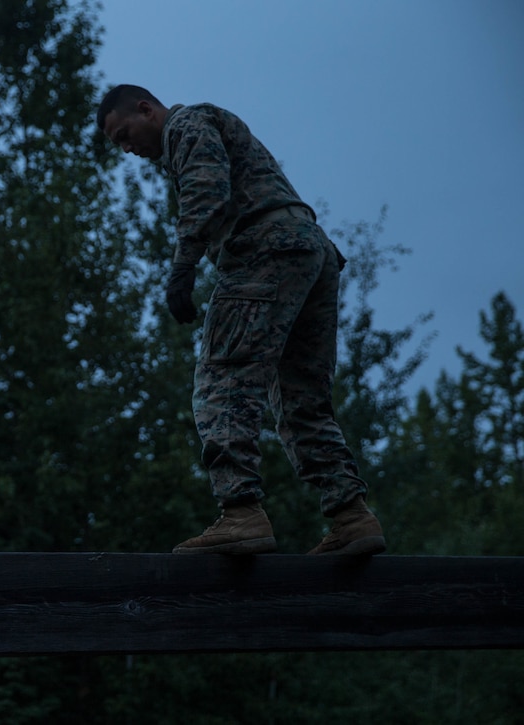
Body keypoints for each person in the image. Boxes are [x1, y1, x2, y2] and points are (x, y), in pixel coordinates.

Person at [96, 84, 385, 556]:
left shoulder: (186, 125)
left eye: (125, 134)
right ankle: (352, 516)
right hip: (310, 253)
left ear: (146, 109)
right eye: (119, 145)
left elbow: (207, 187)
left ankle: (241, 513)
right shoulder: (204, 127)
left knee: (223, 380)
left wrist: (183, 266)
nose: (128, 149)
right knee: (301, 400)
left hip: (263, 250)